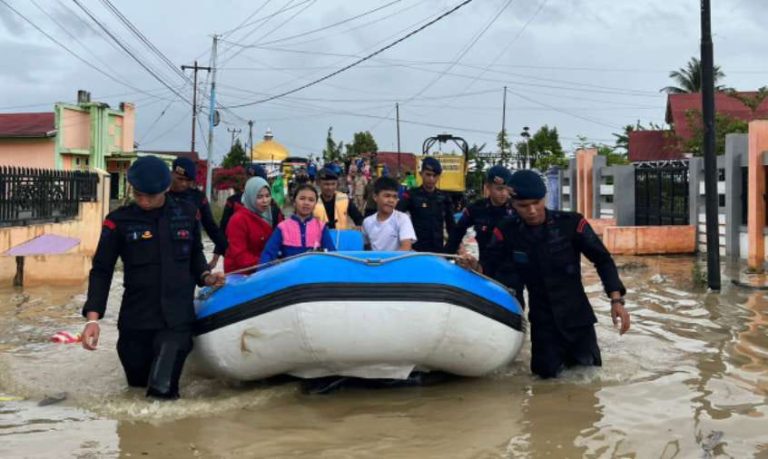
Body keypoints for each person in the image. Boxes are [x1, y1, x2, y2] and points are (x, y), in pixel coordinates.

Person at [80, 156, 225, 400]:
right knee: (136, 391)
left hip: (175, 320)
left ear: (165, 188)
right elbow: (102, 270)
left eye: (151, 196)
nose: (144, 201)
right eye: (138, 195)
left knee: (161, 392)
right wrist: (92, 320)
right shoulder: (118, 222)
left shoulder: (187, 214)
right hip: (135, 322)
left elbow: (195, 255)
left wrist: (206, 276)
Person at [477, 169, 630, 379]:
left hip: (578, 321)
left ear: (544, 199)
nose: (532, 210)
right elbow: (487, 267)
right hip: (543, 326)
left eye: (537, 202)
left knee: (591, 382)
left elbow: (602, 259)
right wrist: (472, 267)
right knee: (545, 384)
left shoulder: (572, 223)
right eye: (523, 205)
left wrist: (616, 300)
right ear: (512, 204)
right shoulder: (506, 231)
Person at [445, 165, 514, 264]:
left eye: (506, 189)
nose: (503, 193)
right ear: (488, 187)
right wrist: (446, 258)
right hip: (484, 268)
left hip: (509, 269)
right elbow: (457, 232)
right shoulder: (477, 208)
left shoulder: (516, 210)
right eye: (499, 189)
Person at [167, 157, 227, 269]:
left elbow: (211, 227)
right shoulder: (161, 196)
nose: (184, 184)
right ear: (172, 174)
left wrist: (228, 251)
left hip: (190, 255)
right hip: (166, 254)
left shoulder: (197, 197)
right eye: (180, 179)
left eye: (188, 180)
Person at [260, 184, 336, 263]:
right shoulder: (283, 227)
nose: (306, 203)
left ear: (315, 204)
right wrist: (261, 274)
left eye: (311, 200)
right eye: (302, 198)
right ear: (294, 202)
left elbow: (332, 254)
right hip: (289, 273)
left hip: (314, 273)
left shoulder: (321, 227)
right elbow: (268, 254)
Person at [224, 177, 284, 273]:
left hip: (267, 269)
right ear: (250, 197)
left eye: (267, 196)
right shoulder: (238, 220)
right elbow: (240, 255)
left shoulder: (273, 213)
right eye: (259, 197)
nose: (265, 200)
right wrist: (267, 263)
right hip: (242, 274)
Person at [396, 157, 455, 253]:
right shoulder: (411, 195)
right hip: (417, 250)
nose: (431, 179)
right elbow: (396, 215)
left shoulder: (444, 198)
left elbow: (451, 226)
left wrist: (455, 247)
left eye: (434, 175)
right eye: (428, 175)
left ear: (438, 176)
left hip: (437, 250)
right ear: (421, 174)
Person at [362, 176, 417, 251]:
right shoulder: (367, 222)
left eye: (395, 197)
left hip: (397, 261)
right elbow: (366, 247)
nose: (391, 200)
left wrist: (389, 262)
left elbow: (406, 247)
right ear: (375, 197)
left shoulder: (402, 219)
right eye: (387, 196)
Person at [219, 163, 270, 235]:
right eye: (247, 177)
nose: (248, 181)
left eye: (252, 179)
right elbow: (223, 228)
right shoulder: (233, 201)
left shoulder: (271, 205)